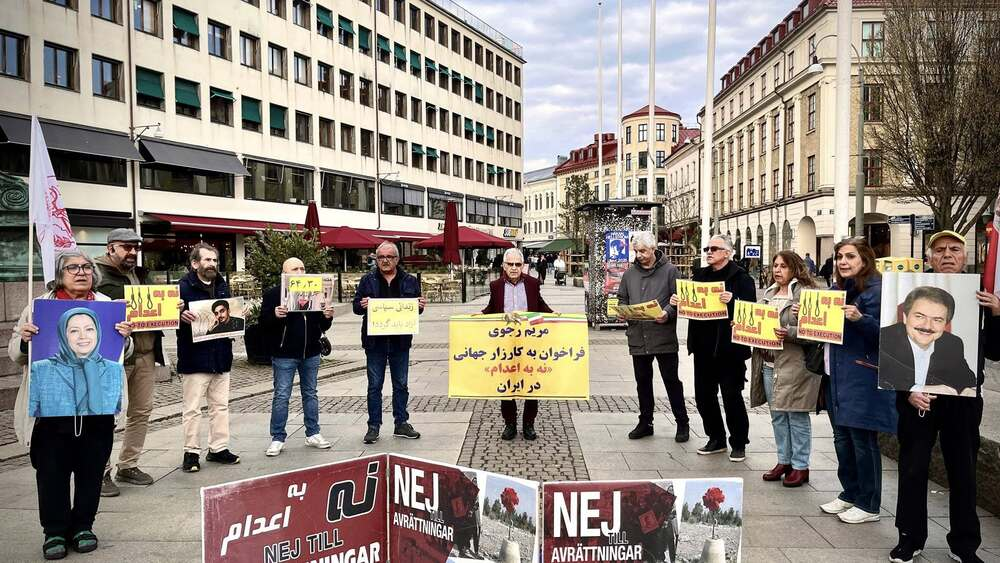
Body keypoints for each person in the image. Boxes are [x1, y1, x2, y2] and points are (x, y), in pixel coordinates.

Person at [8, 251, 133, 560]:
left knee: (92, 470)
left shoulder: (107, 306)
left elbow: (122, 354)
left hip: (97, 411)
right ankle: (54, 530)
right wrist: (24, 340)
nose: (81, 272)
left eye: (86, 267)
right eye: (73, 267)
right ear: (60, 275)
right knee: (51, 472)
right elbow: (16, 353)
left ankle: (83, 527)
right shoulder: (38, 307)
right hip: (51, 413)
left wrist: (126, 339)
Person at [889, 230, 1000, 563]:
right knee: (912, 469)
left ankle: (964, 544)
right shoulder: (907, 291)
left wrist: (997, 314)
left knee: (963, 471)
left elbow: (994, 352)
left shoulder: (979, 296)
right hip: (916, 399)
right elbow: (890, 356)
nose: (947, 254)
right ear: (929, 257)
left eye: (954, 249)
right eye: (939, 250)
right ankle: (910, 538)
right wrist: (906, 391)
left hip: (961, 403)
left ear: (965, 257)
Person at [818, 237, 895, 524]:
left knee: (862, 441)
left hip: (861, 376)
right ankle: (850, 492)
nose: (843, 262)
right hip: (836, 375)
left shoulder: (878, 290)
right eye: (839, 257)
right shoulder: (838, 290)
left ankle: (869, 503)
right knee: (842, 438)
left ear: (865, 259)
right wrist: (807, 316)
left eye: (850, 256)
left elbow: (888, 336)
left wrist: (861, 319)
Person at [95, 228, 173, 497]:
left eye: (135, 248)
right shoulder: (96, 274)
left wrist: (172, 307)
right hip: (115, 356)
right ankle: (100, 471)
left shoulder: (140, 274)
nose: (132, 252)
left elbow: (154, 308)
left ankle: (128, 465)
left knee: (141, 411)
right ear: (110, 248)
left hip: (146, 353)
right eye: (126, 247)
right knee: (106, 415)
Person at [672, 235, 755, 461]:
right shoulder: (700, 276)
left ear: (727, 253)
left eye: (714, 248)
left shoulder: (741, 278)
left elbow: (751, 311)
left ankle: (739, 442)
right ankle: (716, 438)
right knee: (704, 396)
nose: (709, 252)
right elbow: (691, 304)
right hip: (703, 348)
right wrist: (678, 302)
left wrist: (734, 301)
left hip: (730, 350)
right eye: (707, 248)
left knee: (731, 397)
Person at [749, 251, 821, 488]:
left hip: (795, 365)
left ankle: (800, 466)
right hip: (769, 364)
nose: (777, 270)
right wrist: (744, 326)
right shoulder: (769, 293)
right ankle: (784, 461)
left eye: (783, 266)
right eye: (775, 266)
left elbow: (818, 331)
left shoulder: (806, 293)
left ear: (795, 268)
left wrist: (789, 332)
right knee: (778, 415)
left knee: (796, 415)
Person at [617, 231, 689, 443]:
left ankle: (682, 422)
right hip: (638, 336)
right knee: (643, 382)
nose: (639, 255)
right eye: (636, 251)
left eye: (643, 251)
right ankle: (645, 422)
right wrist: (623, 310)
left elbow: (680, 299)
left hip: (663, 336)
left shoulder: (670, 271)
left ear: (653, 249)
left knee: (671, 381)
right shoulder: (629, 274)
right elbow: (622, 298)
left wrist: (668, 313)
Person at [260, 258, 335, 457]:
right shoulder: (273, 294)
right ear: (285, 273)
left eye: (302, 268)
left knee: (310, 393)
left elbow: (322, 325)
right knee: (282, 395)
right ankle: (277, 437)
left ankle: (313, 433)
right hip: (284, 353)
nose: (300, 271)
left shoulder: (316, 292)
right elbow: (263, 323)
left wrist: (327, 316)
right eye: (295, 269)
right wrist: (274, 315)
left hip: (310, 352)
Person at [353, 241, 425, 444]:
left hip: (400, 342)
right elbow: (356, 307)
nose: (385, 260)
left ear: (397, 259)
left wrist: (420, 306)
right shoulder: (367, 280)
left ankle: (401, 423)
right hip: (374, 342)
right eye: (381, 257)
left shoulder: (410, 281)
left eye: (389, 257)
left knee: (401, 384)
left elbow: (416, 310)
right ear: (376, 259)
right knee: (374, 386)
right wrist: (361, 304)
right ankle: (373, 426)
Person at [177, 243, 240, 473]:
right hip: (194, 357)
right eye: (207, 260)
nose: (212, 264)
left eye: (214, 260)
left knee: (220, 406)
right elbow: (168, 318)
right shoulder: (182, 287)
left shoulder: (222, 285)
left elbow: (228, 316)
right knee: (192, 408)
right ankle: (191, 452)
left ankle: (218, 448)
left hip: (221, 356)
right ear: (195, 264)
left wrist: (238, 316)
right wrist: (178, 314)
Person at [481, 248, 553, 441]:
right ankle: (510, 423)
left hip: (529, 343)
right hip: (505, 343)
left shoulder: (533, 283)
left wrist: (556, 317)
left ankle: (529, 424)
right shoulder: (495, 286)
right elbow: (492, 308)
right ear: (504, 266)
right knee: (506, 384)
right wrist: (478, 316)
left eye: (517, 264)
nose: (514, 268)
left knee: (531, 383)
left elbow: (539, 306)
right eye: (510, 264)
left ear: (523, 266)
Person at [879, 286, 976, 396]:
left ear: (945, 324)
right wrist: (919, 389)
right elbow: (880, 379)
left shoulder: (952, 343)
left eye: (937, 320)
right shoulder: (884, 338)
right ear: (905, 317)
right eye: (920, 316)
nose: (927, 326)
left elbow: (966, 380)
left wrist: (970, 389)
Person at [29, 308, 124, 418]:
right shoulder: (41, 369)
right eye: (74, 331)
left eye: (89, 329)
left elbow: (121, 412)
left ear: (98, 333)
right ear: (63, 335)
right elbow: (29, 415)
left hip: (102, 428)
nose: (83, 336)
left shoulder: (115, 369)